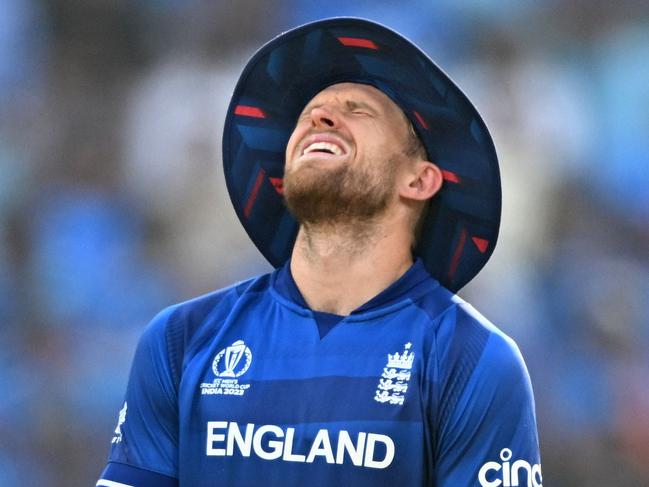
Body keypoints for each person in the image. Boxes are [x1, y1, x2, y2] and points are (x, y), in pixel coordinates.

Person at [97, 18, 542, 487]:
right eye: (310, 112)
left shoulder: (471, 359)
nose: (319, 117)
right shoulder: (180, 340)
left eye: (358, 110)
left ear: (420, 179)